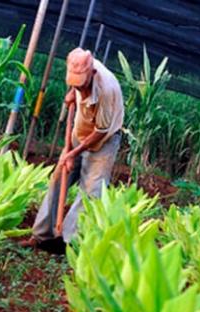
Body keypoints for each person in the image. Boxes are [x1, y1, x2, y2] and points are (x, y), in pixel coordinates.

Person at [23, 48, 124, 250]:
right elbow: (77, 86)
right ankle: (41, 235)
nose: (80, 89)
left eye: (82, 85)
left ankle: (67, 242)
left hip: (103, 140)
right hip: (80, 131)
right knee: (58, 178)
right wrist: (72, 94)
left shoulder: (107, 89)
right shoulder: (78, 75)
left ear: (92, 74)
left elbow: (100, 131)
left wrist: (72, 153)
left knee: (90, 190)